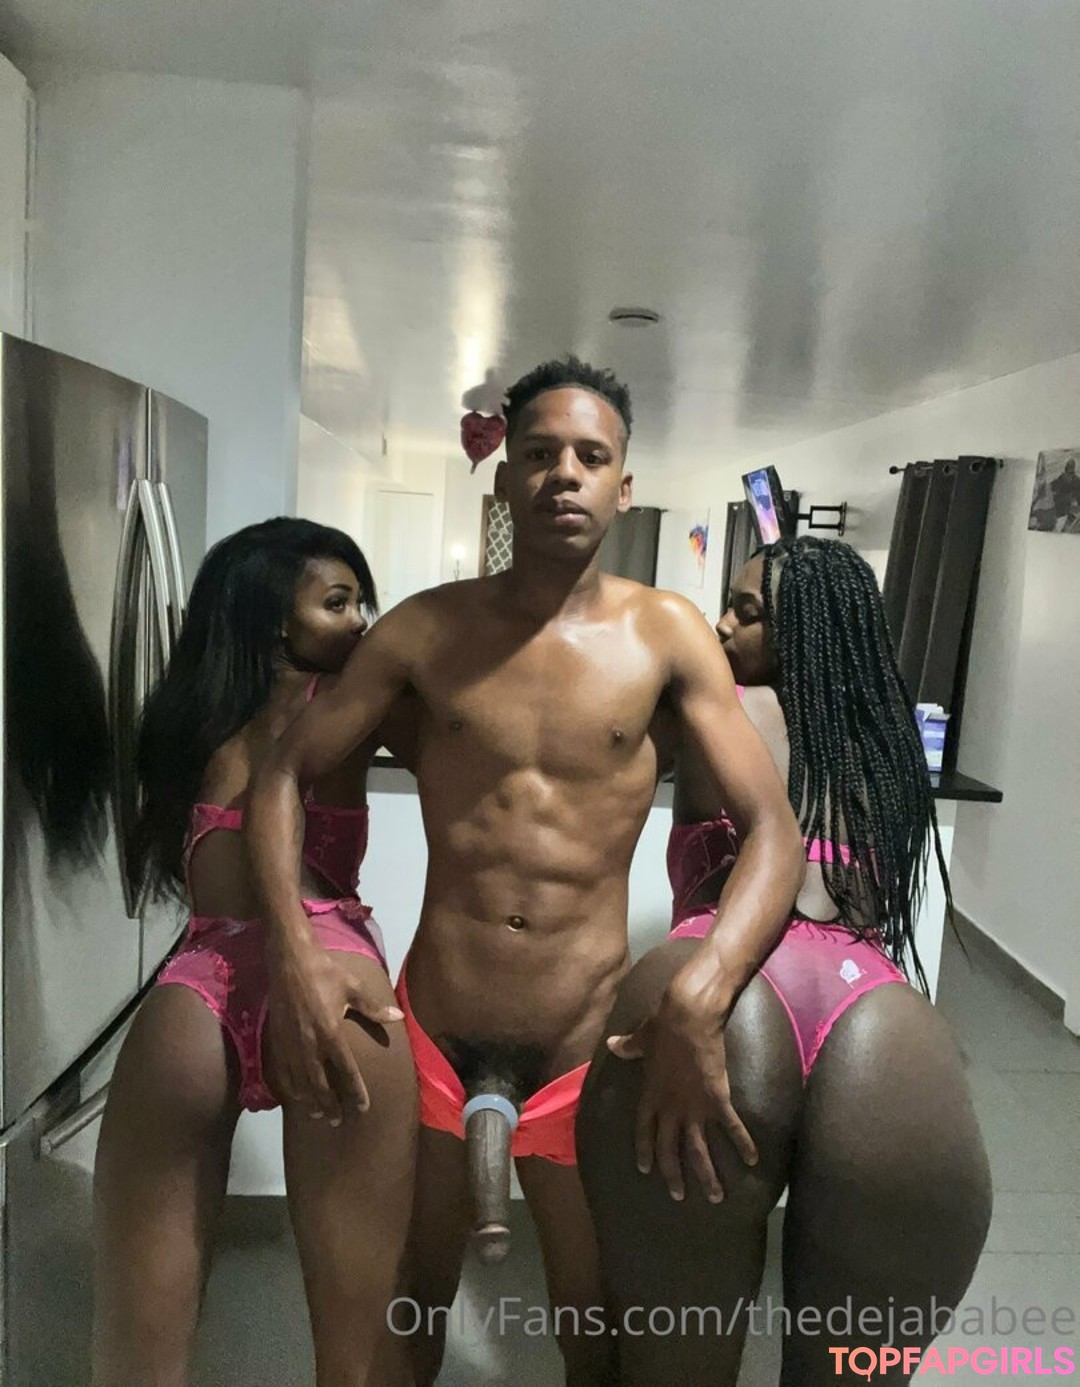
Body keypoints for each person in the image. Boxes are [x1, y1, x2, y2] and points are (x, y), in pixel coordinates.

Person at [245, 358, 805, 1386]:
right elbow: (283, 774)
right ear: (505, 478)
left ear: (624, 486)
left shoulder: (667, 634)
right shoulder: (423, 629)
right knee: (412, 1298)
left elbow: (776, 829)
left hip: (585, 1045)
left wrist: (705, 988)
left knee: (590, 1321)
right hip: (433, 1029)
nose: (564, 474)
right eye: (540, 453)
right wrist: (293, 951)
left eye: (591, 456)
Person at [576, 537, 993, 1386]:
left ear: (806, 626)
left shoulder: (716, 707)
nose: (722, 626)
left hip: (726, 985)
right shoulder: (884, 740)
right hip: (876, 1016)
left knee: (671, 1363)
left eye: (747, 612)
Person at [92, 518, 417, 1387]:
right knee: (356, 1363)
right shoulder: (351, 706)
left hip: (196, 988)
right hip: (334, 979)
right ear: (276, 618)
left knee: (133, 1363)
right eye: (339, 602)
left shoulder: (191, 723)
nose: (362, 622)